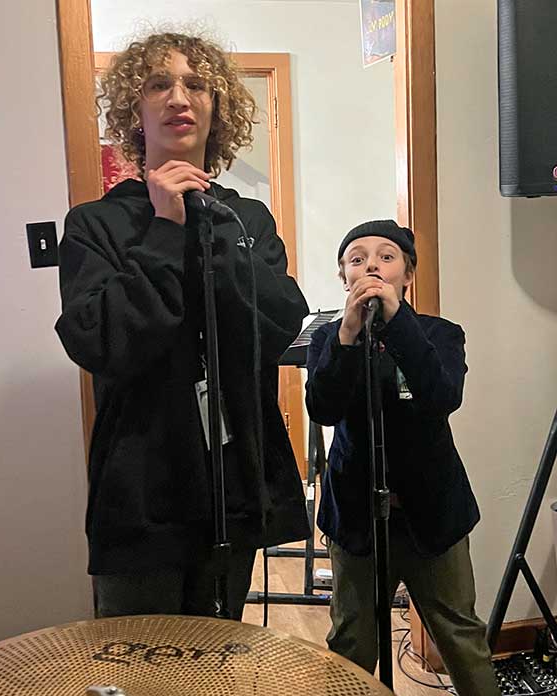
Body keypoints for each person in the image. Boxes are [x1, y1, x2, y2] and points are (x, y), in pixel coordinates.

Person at [55, 31, 310, 620]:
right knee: (140, 666)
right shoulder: (95, 224)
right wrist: (165, 228)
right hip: (142, 490)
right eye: (158, 84)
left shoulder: (244, 220)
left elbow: (277, 326)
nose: (179, 97)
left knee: (218, 662)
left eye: (196, 84)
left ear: (216, 108)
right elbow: (98, 340)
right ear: (134, 111)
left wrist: (207, 230)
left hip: (233, 486)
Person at [305, 220, 500, 695]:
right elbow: (323, 407)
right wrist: (349, 333)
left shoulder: (440, 333)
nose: (371, 264)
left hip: (433, 514)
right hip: (355, 516)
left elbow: (441, 396)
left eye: (386, 256)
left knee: (460, 634)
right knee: (351, 640)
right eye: (357, 258)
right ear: (343, 278)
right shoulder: (329, 338)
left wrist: (398, 324)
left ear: (407, 275)